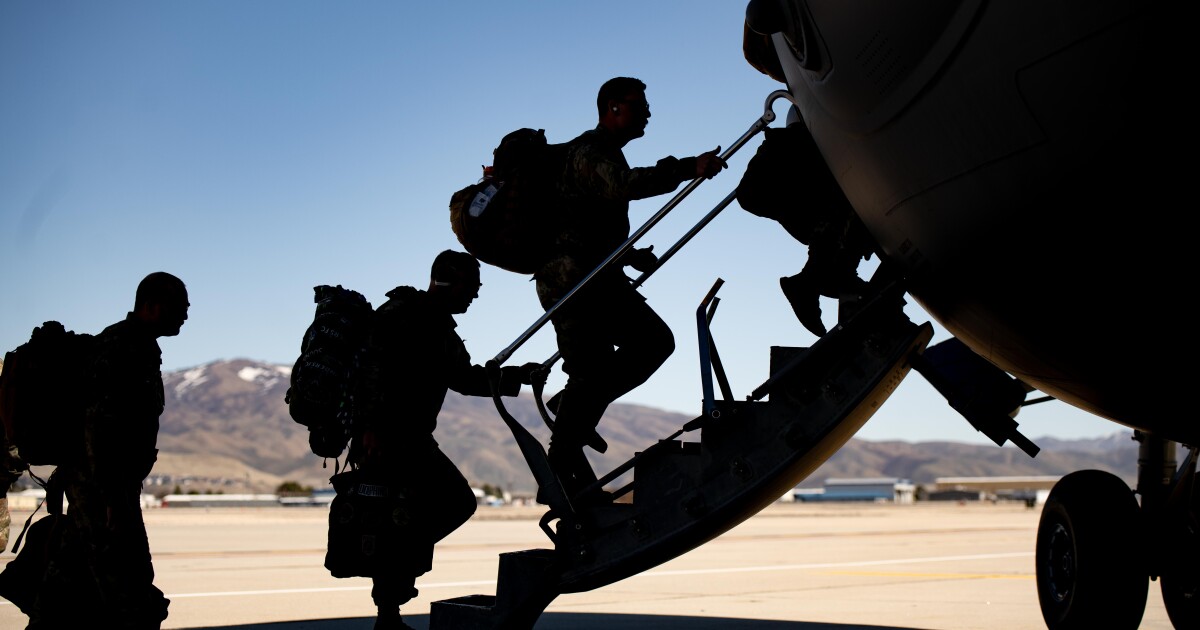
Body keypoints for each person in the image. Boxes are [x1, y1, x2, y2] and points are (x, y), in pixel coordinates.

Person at [535, 76, 727, 503]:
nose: (648, 114)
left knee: (620, 359)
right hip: (575, 284)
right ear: (613, 108)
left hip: (590, 277)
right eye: (639, 106)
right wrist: (686, 168)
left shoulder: (599, 152)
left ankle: (572, 417)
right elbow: (625, 185)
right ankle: (561, 474)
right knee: (625, 355)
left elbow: (584, 224)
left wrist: (628, 255)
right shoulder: (589, 151)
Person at [350, 250, 542, 630]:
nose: (475, 295)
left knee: (416, 517)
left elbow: (466, 379)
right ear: (445, 281)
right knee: (439, 507)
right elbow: (369, 368)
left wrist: (517, 376)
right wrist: (370, 428)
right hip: (385, 439)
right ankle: (391, 603)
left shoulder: (441, 330)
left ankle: (391, 605)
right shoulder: (400, 315)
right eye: (470, 287)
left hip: (412, 440)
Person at [28, 272, 188, 630]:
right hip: (103, 491)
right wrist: (114, 498)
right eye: (179, 306)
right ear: (151, 306)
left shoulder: (134, 345)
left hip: (95, 488)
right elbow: (100, 427)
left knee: (63, 593)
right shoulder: (124, 349)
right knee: (131, 596)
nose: (185, 315)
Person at [736, 108, 876, 337]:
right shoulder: (801, 145)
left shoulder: (785, 143)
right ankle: (814, 280)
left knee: (845, 211)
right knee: (849, 203)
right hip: (798, 203)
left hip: (796, 208)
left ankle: (823, 277)